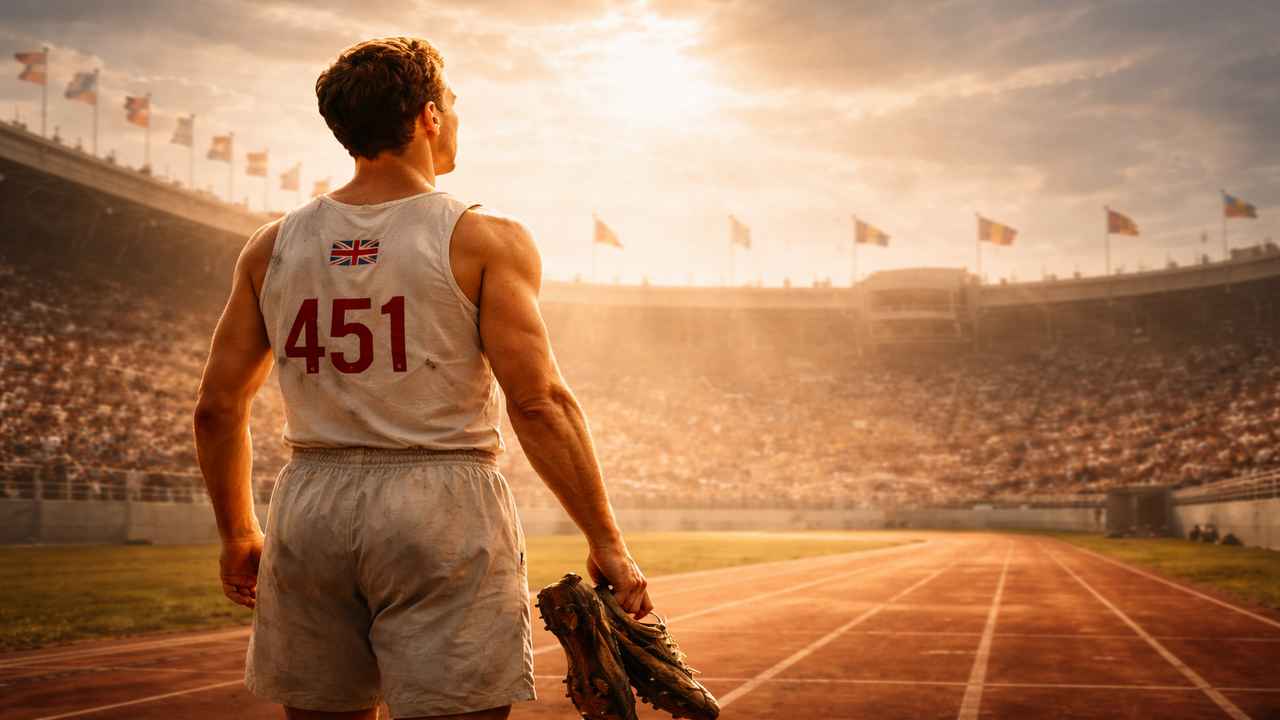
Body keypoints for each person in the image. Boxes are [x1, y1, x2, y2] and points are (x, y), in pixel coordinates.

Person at [193, 36, 652, 720]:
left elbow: (217, 408)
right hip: (440, 500)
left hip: (310, 501)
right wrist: (607, 542)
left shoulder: (272, 245)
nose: (457, 120)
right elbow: (537, 401)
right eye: (454, 106)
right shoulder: (482, 237)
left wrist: (237, 532)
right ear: (429, 117)